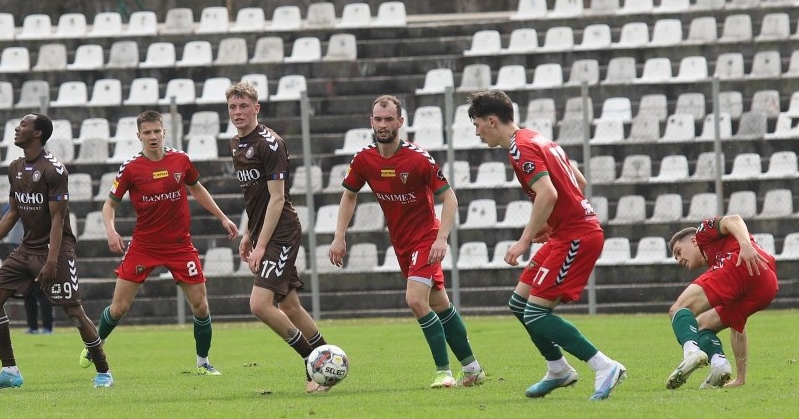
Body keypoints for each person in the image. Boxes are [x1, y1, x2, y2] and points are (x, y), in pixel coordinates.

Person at [466, 90, 625, 401]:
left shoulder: (520, 148)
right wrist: (551, 225)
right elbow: (579, 182)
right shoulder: (538, 139)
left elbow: (548, 194)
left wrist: (526, 238)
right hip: (564, 234)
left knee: (537, 314)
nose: (477, 132)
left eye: (477, 125)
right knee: (519, 304)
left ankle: (604, 366)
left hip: (577, 237)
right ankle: (558, 369)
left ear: (491, 120)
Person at [329, 95, 486, 389]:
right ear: (371, 122)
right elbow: (349, 194)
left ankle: (444, 372)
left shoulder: (417, 159)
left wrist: (441, 238)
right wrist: (339, 236)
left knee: (415, 300)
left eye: (390, 119)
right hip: (401, 242)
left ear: (400, 122)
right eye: (378, 119)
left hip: (426, 238)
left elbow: (449, 197)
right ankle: (473, 369)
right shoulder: (364, 159)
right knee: (439, 304)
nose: (384, 125)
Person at [80, 110, 238, 376]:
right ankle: (96, 343)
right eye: (147, 133)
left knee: (200, 304)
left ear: (164, 131)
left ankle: (203, 363)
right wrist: (111, 231)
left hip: (179, 245)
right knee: (119, 308)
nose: (152, 137)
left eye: (156, 131)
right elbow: (109, 204)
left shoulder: (181, 160)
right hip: (144, 245)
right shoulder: (131, 168)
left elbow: (197, 188)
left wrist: (222, 217)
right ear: (138, 136)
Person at [0, 113, 113, 389]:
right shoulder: (15, 167)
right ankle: (10, 371)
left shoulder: (54, 170)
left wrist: (52, 261)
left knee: (75, 313)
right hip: (26, 249)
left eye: (23, 125)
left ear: (37, 134)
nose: (17, 128)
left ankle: (104, 371)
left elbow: (58, 219)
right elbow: (12, 214)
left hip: (55, 250)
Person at [225, 81, 335, 393]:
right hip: (263, 231)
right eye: (233, 107)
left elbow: (276, 199)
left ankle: (315, 362)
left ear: (256, 108)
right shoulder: (236, 144)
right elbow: (254, 197)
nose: (238, 112)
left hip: (281, 233)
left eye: (244, 106)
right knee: (290, 306)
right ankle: (328, 362)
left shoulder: (270, 144)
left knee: (259, 305)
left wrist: (261, 246)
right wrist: (248, 232)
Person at [666, 214, 778, 389]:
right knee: (703, 325)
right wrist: (741, 378)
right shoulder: (717, 255)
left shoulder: (703, 234)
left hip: (740, 262)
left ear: (694, 241)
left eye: (678, 252)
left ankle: (691, 353)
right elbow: (738, 331)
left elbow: (733, 219)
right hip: (766, 286)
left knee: (679, 308)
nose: (679, 260)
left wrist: (745, 245)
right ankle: (720, 366)